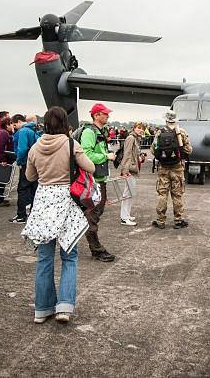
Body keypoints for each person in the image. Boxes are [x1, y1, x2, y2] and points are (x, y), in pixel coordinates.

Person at [21, 106, 95, 324]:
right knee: (69, 256)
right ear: (64, 123)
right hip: (66, 201)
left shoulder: (35, 147)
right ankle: (64, 306)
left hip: (43, 202)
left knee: (44, 258)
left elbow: (29, 176)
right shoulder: (71, 144)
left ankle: (42, 309)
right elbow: (90, 167)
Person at [78, 103, 117, 262]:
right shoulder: (89, 132)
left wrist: (107, 153)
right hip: (93, 181)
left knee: (95, 213)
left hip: (99, 179)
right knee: (93, 214)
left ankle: (95, 246)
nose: (108, 116)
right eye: (104, 114)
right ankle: (96, 249)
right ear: (96, 115)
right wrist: (105, 157)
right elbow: (85, 154)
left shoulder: (98, 131)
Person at [151, 110, 193, 230]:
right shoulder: (181, 132)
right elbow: (189, 150)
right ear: (175, 119)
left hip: (163, 168)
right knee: (177, 195)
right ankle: (178, 221)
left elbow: (153, 150)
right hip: (177, 168)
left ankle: (160, 221)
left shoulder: (159, 132)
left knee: (162, 194)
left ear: (166, 119)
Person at [10, 114, 40, 223]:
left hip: (26, 164)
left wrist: (18, 160)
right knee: (34, 189)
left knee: (22, 189)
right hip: (35, 164)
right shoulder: (34, 130)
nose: (14, 127)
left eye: (14, 125)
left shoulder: (23, 131)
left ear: (18, 121)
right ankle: (33, 215)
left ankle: (21, 215)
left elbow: (22, 149)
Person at [116, 121, 146, 226]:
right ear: (134, 128)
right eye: (138, 128)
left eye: (142, 128)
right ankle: (124, 218)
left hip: (132, 169)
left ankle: (126, 215)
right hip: (130, 170)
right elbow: (127, 154)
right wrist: (125, 171)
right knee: (128, 193)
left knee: (130, 193)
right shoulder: (131, 138)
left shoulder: (136, 138)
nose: (141, 130)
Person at [0, 117, 15, 207]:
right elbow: (0, 148)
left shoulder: (2, 132)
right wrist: (3, 160)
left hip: (2, 158)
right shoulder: (3, 133)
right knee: (0, 180)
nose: (13, 125)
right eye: (11, 123)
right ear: (7, 124)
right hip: (3, 159)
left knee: (1, 180)